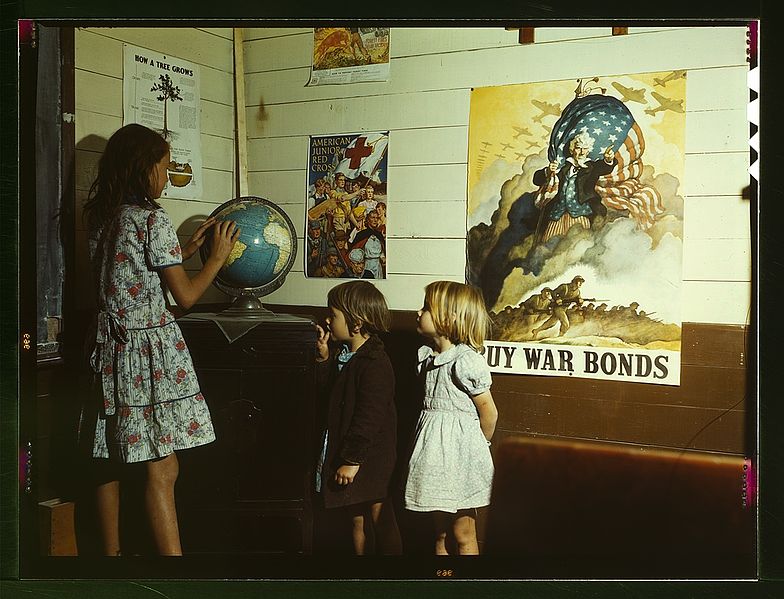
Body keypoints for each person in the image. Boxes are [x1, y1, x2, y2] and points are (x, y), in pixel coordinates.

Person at [80, 123, 240, 556]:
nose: (167, 177)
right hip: (150, 353)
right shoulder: (153, 218)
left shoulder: (101, 214)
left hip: (110, 350)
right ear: (143, 168)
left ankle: (109, 560)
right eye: (165, 168)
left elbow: (128, 268)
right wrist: (217, 259)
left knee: (110, 453)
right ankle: (174, 570)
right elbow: (185, 297)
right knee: (163, 466)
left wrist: (182, 253)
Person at [404, 281, 498, 555]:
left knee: (463, 533)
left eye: (426, 308)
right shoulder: (427, 359)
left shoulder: (464, 361)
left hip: (460, 461)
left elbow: (489, 413)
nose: (418, 313)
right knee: (440, 533)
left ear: (449, 317)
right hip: (433, 460)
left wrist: (476, 448)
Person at [314, 281, 402, 555]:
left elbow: (369, 417)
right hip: (347, 453)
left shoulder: (375, 363)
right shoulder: (346, 355)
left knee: (381, 521)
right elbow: (330, 397)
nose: (328, 320)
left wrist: (351, 461)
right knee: (356, 521)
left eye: (334, 315)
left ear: (356, 324)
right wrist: (324, 358)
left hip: (369, 459)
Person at [532, 131, 616, 245]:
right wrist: (548, 171)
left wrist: (608, 160)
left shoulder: (592, 168)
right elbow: (537, 180)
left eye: (585, 148)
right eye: (578, 148)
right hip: (558, 215)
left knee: (577, 246)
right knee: (549, 245)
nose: (581, 152)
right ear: (572, 150)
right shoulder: (564, 168)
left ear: (588, 151)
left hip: (581, 215)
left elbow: (604, 167)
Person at [350, 209, 386, 279]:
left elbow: (382, 251)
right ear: (368, 219)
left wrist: (383, 257)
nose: (375, 220)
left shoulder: (379, 235)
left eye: (377, 218)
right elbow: (356, 252)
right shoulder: (361, 235)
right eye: (373, 218)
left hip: (378, 266)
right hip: (366, 265)